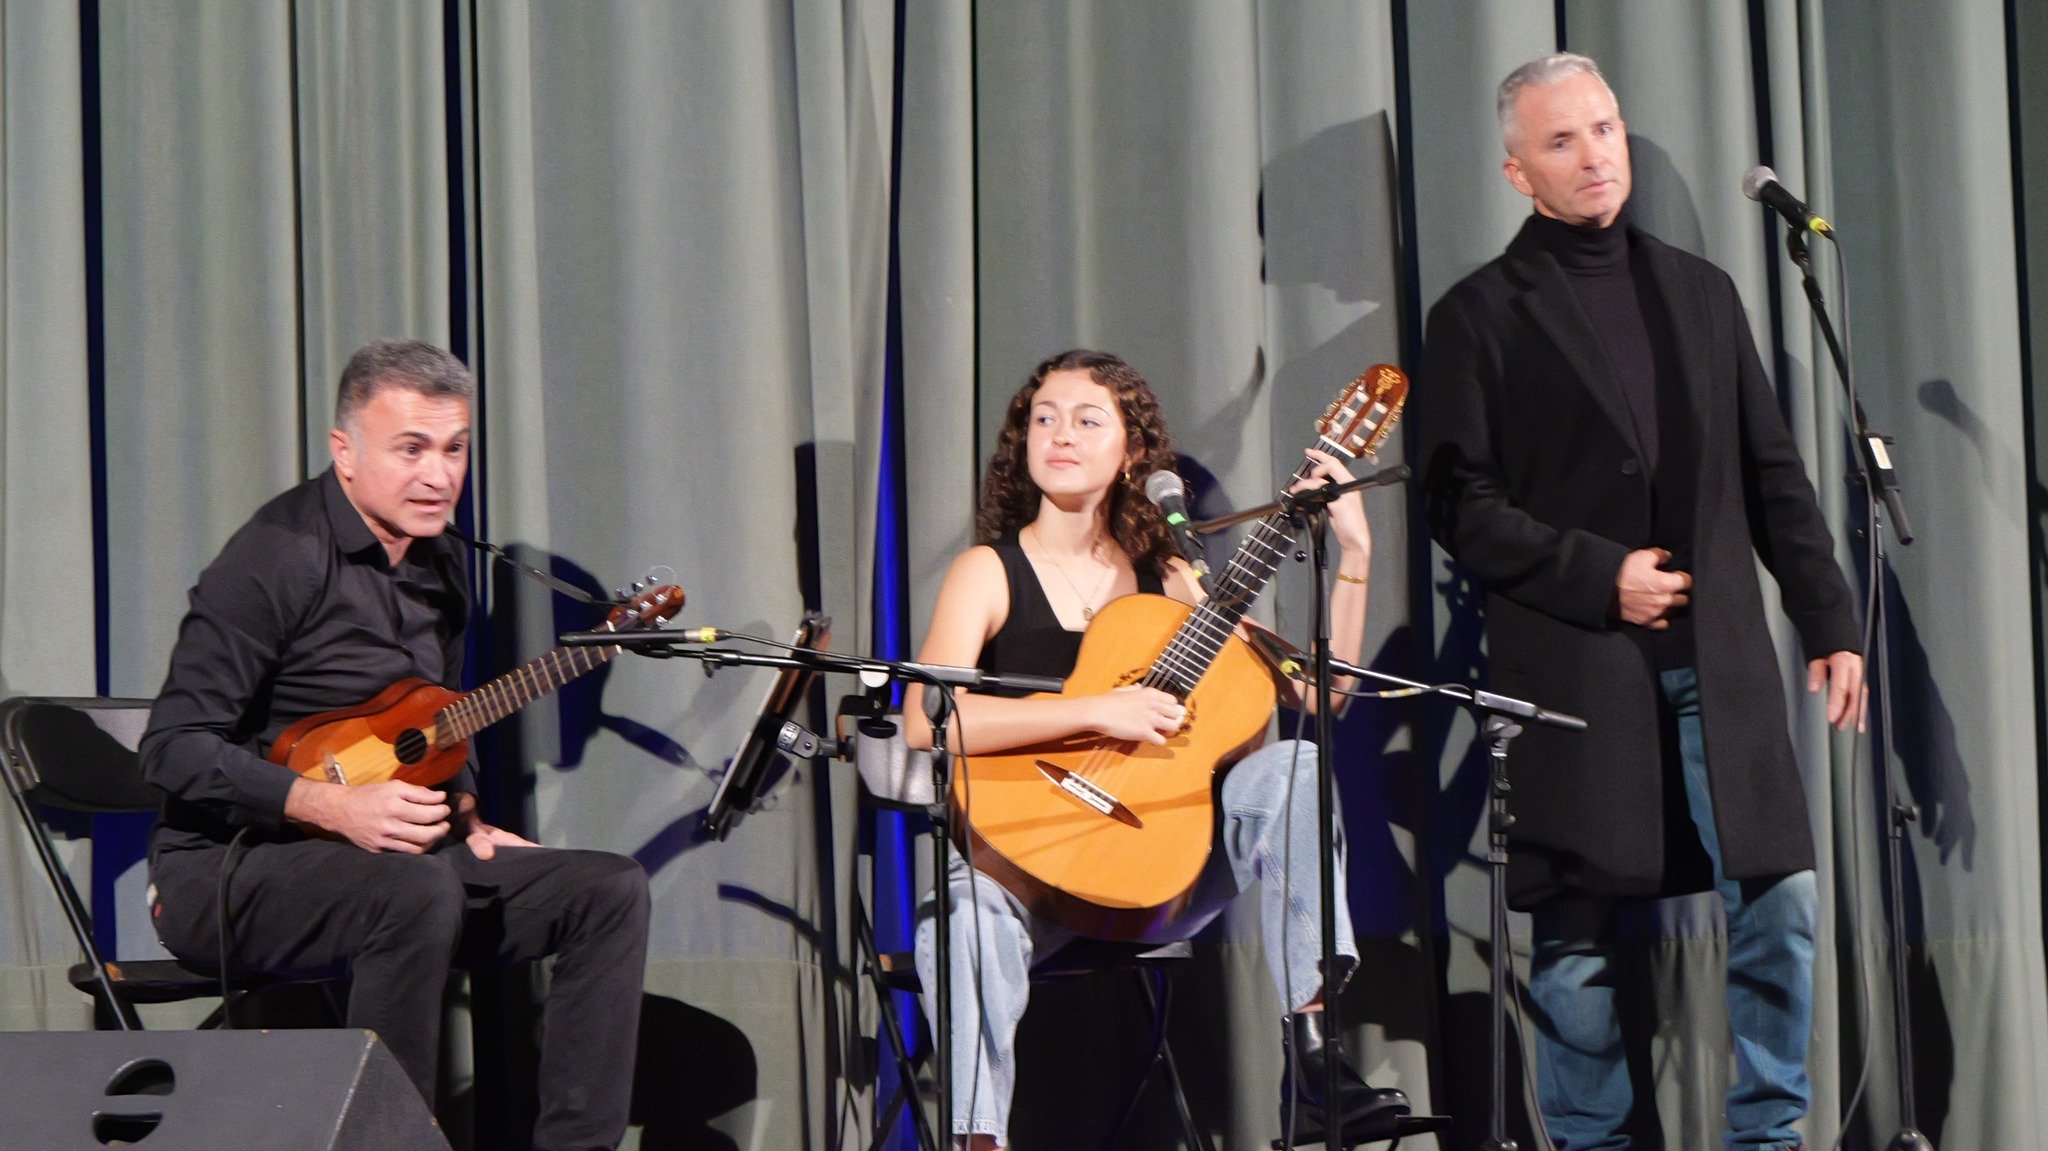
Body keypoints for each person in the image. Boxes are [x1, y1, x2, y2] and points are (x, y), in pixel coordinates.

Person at [1411, 53, 1865, 1151]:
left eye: (1603, 129)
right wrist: (1592, 569)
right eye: (1561, 141)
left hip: (1717, 657)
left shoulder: (1697, 291)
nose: (1593, 155)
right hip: (1573, 664)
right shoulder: (1476, 314)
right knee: (1571, 931)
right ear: (1518, 172)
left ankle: (1767, 1133)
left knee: (1778, 899)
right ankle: (1595, 1141)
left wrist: (1828, 618)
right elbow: (1454, 500)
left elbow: (1770, 475)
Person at [141, 339, 651, 1151]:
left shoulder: (444, 563)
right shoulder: (275, 557)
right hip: (226, 869)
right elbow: (169, 748)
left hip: (393, 862)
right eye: (411, 448)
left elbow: (436, 721)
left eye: (454, 449)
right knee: (413, 892)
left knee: (608, 890)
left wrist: (466, 814)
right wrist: (327, 803)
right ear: (345, 452)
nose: (439, 474)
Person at [904, 348, 1409, 1150]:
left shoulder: (1169, 575)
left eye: (1086, 419)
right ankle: (977, 1141)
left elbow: (1321, 695)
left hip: (1159, 864)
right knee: (958, 922)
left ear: (1133, 451)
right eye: (1043, 418)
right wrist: (1097, 709)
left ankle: (1315, 1060)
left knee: (1296, 767)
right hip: (1025, 864)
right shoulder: (988, 571)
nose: (1059, 434)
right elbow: (928, 722)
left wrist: (1356, 555)